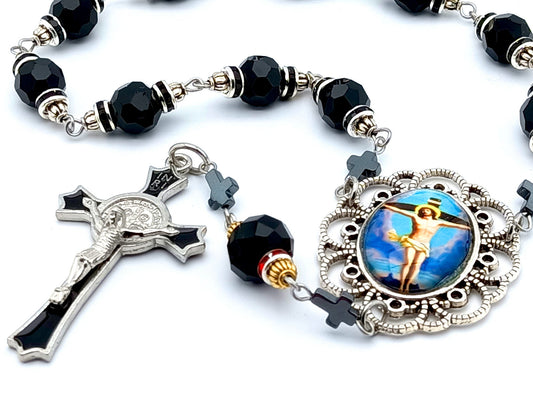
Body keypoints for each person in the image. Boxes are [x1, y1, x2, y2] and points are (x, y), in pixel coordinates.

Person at [383, 198, 470, 293]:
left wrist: (470, 227)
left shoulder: (438, 223)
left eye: (427, 210)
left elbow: (457, 225)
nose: (424, 211)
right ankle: (401, 285)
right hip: (412, 242)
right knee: (408, 263)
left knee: (416, 265)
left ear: (432, 212)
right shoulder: (416, 218)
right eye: (423, 210)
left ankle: (407, 286)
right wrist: (385, 205)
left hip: (424, 245)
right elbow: (400, 211)